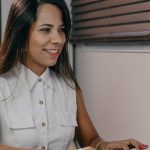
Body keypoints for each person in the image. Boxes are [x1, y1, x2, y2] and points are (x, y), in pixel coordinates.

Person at [0, 0, 148, 150]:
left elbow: (92, 140)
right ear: (20, 34)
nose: (58, 39)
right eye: (45, 29)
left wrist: (106, 146)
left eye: (61, 29)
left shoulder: (68, 86)